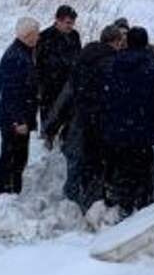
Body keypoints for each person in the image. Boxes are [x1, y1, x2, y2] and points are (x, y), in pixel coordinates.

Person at [45, 25, 124, 212]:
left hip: (78, 122)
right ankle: (92, 206)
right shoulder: (113, 63)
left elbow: (67, 94)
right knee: (97, 167)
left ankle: (71, 203)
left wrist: (51, 125)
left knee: (78, 164)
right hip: (100, 124)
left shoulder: (82, 59)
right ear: (116, 42)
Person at [99, 26, 154, 217]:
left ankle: (123, 205)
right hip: (144, 129)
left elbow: (104, 93)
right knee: (143, 169)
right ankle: (142, 207)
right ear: (146, 42)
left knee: (122, 167)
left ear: (127, 42)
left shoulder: (113, 63)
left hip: (117, 128)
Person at [0, 17, 40, 195]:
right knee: (11, 158)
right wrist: (19, 120)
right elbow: (11, 93)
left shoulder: (23, 52)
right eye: (36, 34)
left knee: (17, 158)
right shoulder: (16, 58)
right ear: (27, 35)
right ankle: (0, 193)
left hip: (16, 117)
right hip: (13, 120)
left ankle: (10, 192)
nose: (38, 37)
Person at [36, 5, 81, 147]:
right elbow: (38, 62)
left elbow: (78, 56)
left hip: (69, 82)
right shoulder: (44, 37)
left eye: (72, 23)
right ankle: (47, 136)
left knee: (69, 112)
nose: (71, 26)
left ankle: (65, 137)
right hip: (50, 83)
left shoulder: (74, 35)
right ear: (58, 20)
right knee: (50, 112)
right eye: (68, 23)